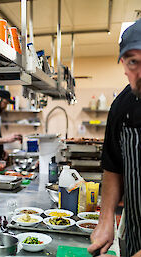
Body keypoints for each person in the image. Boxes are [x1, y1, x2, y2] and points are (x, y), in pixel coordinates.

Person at [88, 18, 141, 257]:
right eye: (133, 62)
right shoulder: (123, 104)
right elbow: (113, 166)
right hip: (134, 235)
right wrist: (105, 219)